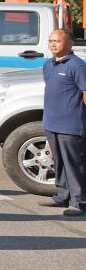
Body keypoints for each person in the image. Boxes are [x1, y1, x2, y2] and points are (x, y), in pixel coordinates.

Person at [42, 29, 86, 216]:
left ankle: (79, 202)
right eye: (50, 40)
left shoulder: (77, 66)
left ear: (69, 44)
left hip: (71, 124)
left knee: (74, 164)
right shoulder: (48, 64)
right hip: (51, 122)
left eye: (57, 41)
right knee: (58, 162)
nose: (53, 44)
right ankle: (62, 195)